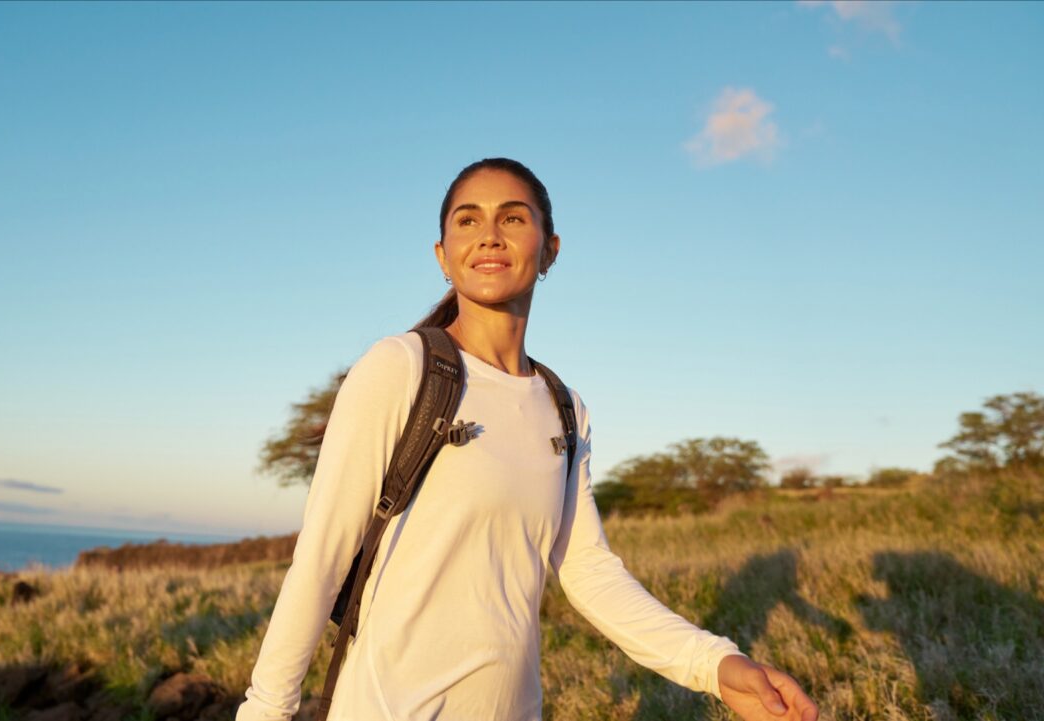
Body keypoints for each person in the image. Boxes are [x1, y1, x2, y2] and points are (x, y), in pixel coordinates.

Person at [235, 158, 818, 721]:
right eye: (468, 220)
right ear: (443, 255)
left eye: (512, 218)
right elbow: (320, 560)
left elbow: (589, 572)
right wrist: (265, 712)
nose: (489, 236)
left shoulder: (565, 408)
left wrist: (717, 665)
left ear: (550, 250)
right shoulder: (400, 368)